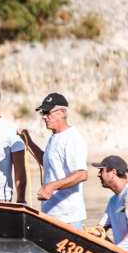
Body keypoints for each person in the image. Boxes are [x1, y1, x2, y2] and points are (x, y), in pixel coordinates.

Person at [17, 92, 88, 229]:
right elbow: (47, 162)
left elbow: (82, 174)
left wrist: (52, 186)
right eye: (43, 113)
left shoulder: (73, 138)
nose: (44, 116)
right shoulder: (55, 136)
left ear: (62, 112)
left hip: (68, 217)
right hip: (50, 214)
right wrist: (29, 142)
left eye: (48, 112)